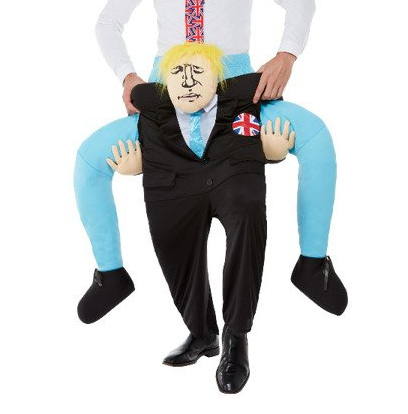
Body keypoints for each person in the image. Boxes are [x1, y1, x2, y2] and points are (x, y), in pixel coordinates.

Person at [74, 0, 347, 380]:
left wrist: (286, 55)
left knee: (313, 141)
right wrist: (129, 77)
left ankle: (308, 269)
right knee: (89, 162)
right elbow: (107, 23)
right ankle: (121, 281)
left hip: (235, 92)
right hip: (166, 100)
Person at [102, 42, 296, 393]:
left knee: (247, 214)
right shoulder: (153, 107)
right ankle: (202, 333)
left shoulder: (239, 96)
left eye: (197, 74)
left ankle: (236, 336)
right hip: (173, 175)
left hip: (230, 163)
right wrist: (126, 75)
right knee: (171, 242)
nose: (189, 81)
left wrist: (288, 54)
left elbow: (286, 129)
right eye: (179, 74)